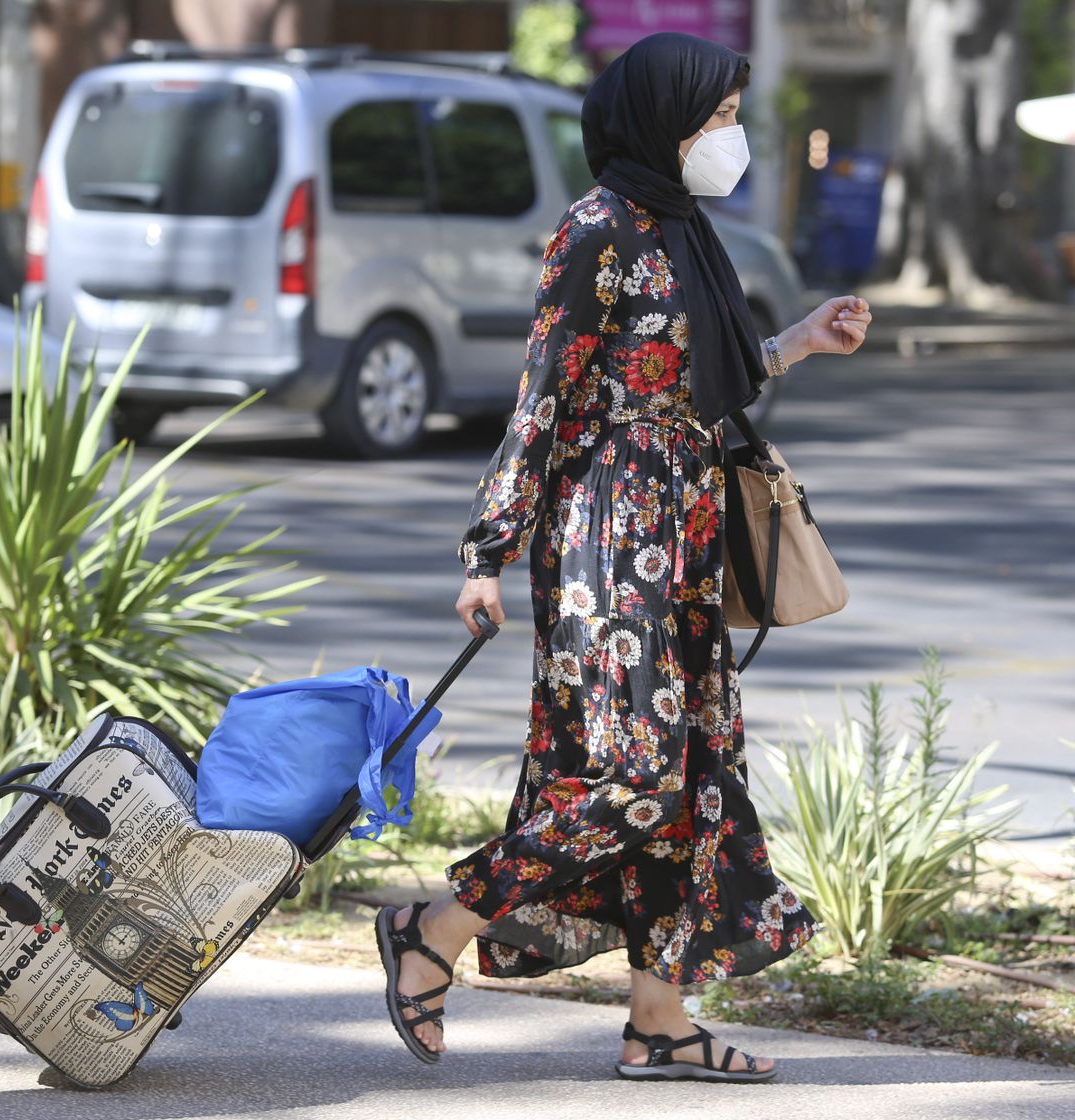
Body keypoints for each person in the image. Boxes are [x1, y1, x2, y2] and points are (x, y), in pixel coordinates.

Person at [373, 32, 874, 1083]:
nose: (731, 138)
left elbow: (700, 380)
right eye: (722, 119)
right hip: (607, 535)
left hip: (682, 538)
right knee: (636, 774)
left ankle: (660, 1021)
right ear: (665, 119)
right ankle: (435, 929)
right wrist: (487, 552)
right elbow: (542, 398)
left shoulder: (683, 230)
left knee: (690, 779)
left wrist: (798, 342)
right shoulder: (597, 229)